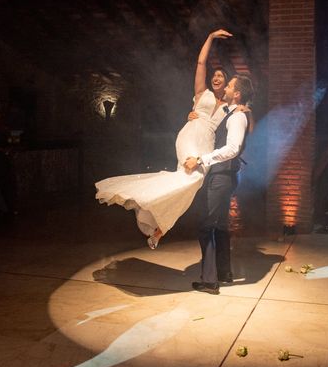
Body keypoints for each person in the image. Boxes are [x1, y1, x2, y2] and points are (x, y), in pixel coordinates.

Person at [95, 29, 234, 248]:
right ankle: (154, 216)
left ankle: (158, 225)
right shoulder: (201, 93)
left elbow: (243, 111)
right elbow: (200, 63)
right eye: (215, 75)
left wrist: (247, 109)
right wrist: (210, 37)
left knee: (190, 184)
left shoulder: (229, 105)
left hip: (206, 145)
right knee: (190, 180)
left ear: (226, 83)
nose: (216, 77)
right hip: (189, 135)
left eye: (221, 76)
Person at [184, 74, 254, 295]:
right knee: (221, 226)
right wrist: (193, 116)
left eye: (230, 85)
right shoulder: (231, 113)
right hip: (224, 176)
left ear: (237, 93)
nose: (226, 87)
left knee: (206, 226)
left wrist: (201, 160)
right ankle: (224, 274)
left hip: (222, 177)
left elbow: (233, 149)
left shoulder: (237, 117)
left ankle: (210, 280)